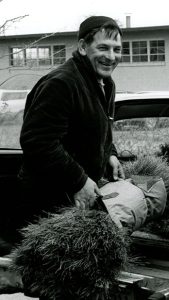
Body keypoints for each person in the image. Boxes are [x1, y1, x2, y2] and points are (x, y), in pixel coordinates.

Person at [0, 16, 125, 255]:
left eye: (117, 49)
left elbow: (98, 128)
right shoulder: (61, 84)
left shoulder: (105, 83)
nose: (111, 56)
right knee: (53, 278)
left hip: (75, 201)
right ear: (82, 47)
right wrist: (79, 180)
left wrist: (110, 153)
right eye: (103, 48)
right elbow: (38, 142)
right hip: (46, 204)